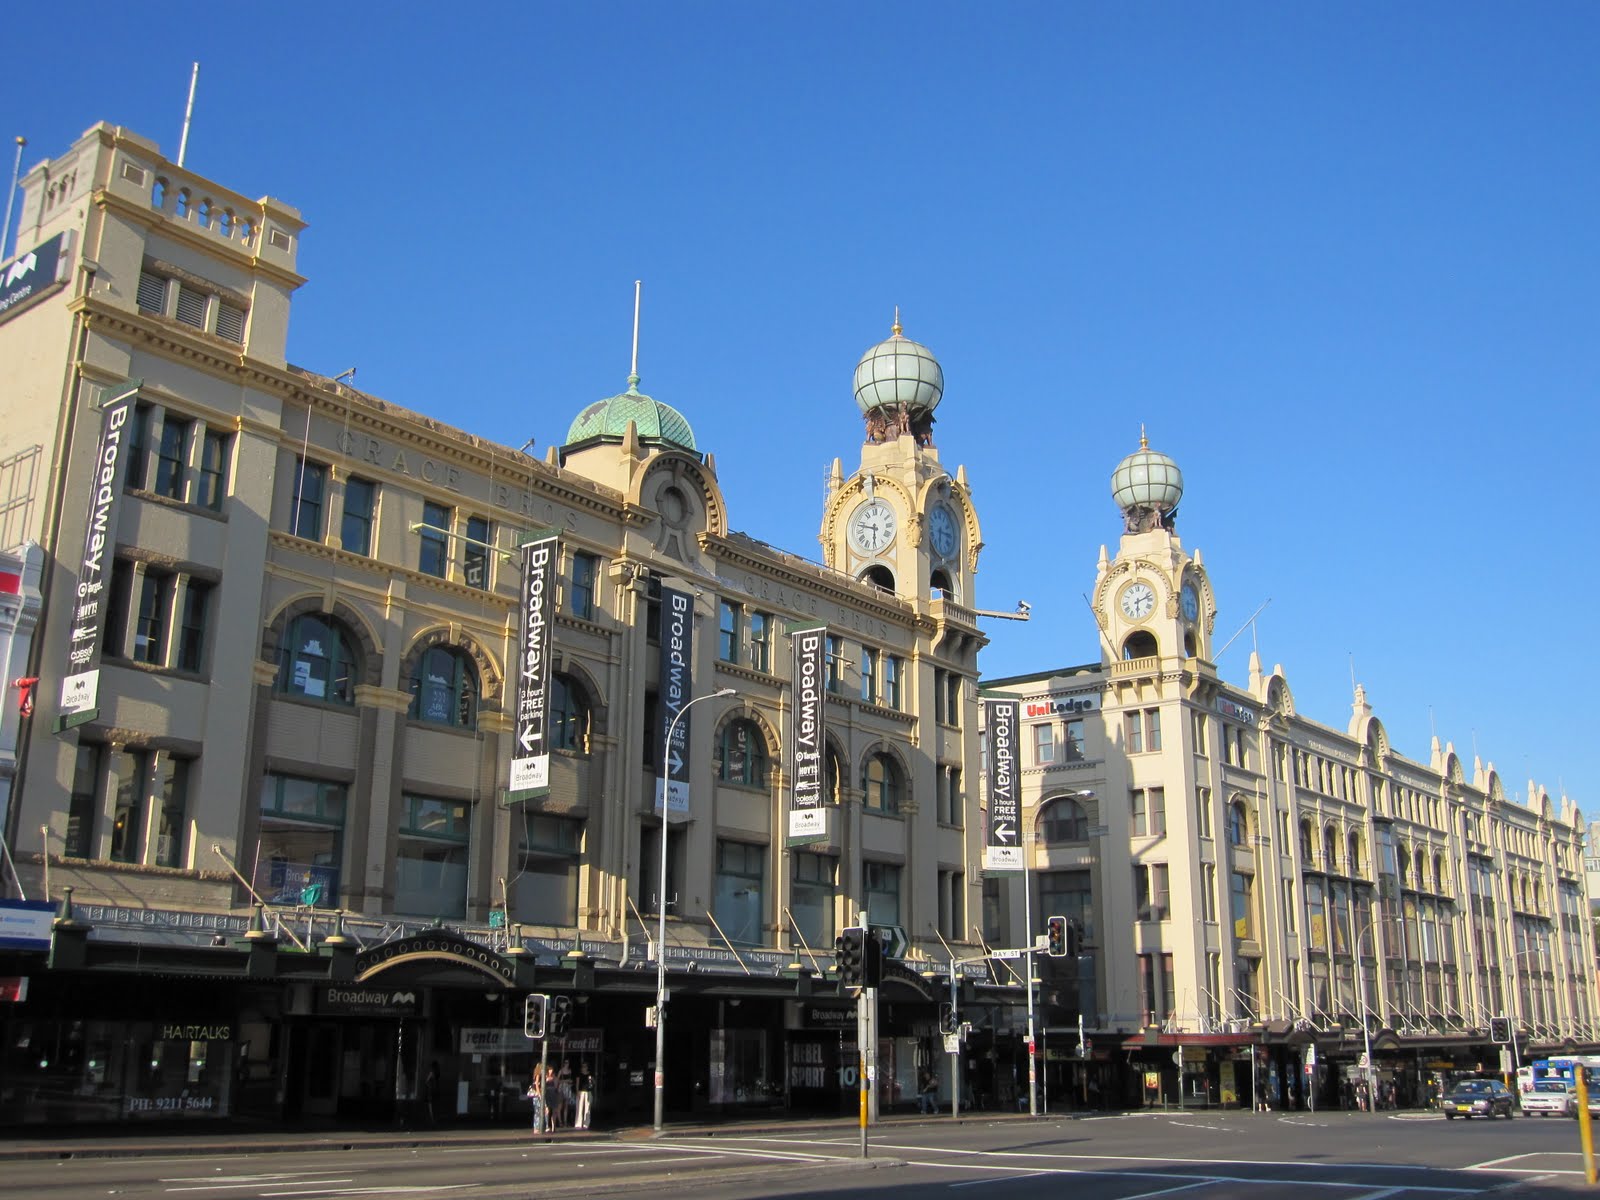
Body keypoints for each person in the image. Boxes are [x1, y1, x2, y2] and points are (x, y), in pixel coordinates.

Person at [575, 1061, 594, 1130]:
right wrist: (577, 1092)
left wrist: (591, 1079)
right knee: (579, 1108)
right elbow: (577, 1083)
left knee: (587, 1108)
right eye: (583, 1066)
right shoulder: (579, 1074)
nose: (584, 1068)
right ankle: (578, 1123)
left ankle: (586, 1124)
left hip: (588, 1092)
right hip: (581, 1091)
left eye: (585, 1066)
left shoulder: (590, 1074)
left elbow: (592, 1083)